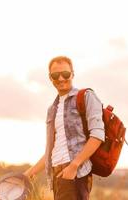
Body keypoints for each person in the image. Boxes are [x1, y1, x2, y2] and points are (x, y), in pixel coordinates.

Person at [24, 56, 105, 200]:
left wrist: (74, 166)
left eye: (65, 74)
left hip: (75, 173)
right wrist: (28, 174)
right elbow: (51, 151)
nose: (61, 78)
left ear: (72, 74)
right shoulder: (52, 109)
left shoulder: (86, 96)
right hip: (57, 174)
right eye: (56, 75)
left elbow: (98, 135)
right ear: (50, 78)